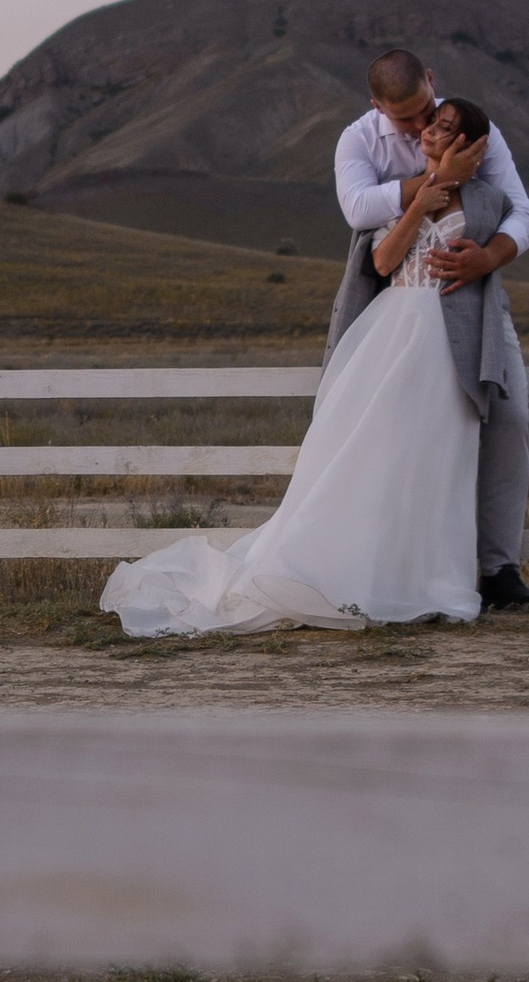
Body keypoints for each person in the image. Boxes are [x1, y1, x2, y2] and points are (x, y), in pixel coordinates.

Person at [99, 96, 505, 636]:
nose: (430, 131)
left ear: (469, 145)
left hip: (447, 343)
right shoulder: (400, 191)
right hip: (390, 333)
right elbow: (382, 263)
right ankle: (347, 575)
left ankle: (429, 582)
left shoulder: (486, 202)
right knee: (371, 449)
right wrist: (418, 202)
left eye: (445, 128)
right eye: (430, 124)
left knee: (435, 457)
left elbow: (499, 258)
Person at [332, 47, 529, 611]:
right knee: (396, 437)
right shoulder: (358, 141)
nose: (423, 124)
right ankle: (387, 562)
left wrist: (489, 257)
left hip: (473, 303)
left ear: (432, 80)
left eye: (427, 109)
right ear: (377, 106)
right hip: (399, 319)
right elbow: (357, 209)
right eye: (406, 119)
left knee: (509, 417)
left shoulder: (474, 130)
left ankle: (499, 568)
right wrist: (434, 179)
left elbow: (520, 209)